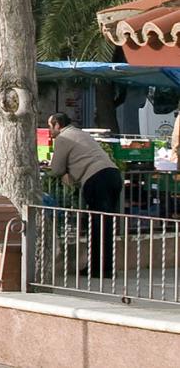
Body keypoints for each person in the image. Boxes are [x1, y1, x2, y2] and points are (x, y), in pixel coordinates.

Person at [48, 112, 122, 278]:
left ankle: (99, 269)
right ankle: (105, 267)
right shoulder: (80, 133)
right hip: (113, 175)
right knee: (106, 225)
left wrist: (64, 173)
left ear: (57, 125)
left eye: (50, 126)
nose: (49, 131)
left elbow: (56, 169)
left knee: (97, 226)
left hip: (96, 179)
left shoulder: (63, 138)